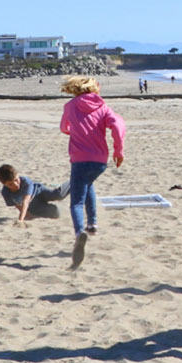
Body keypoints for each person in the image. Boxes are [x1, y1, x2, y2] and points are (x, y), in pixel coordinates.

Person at [59, 75, 126, 269]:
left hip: (80, 159)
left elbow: (64, 128)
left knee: (76, 201)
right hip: (100, 161)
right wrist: (118, 150)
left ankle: (80, 231)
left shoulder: (70, 106)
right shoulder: (103, 107)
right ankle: (93, 223)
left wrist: (75, 131)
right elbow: (118, 126)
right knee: (88, 184)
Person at [0, 164, 70, 224]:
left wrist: (20, 219)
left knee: (58, 195)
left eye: (16, 180)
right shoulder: (5, 192)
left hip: (40, 193)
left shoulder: (26, 182)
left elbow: (26, 201)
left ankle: (73, 182)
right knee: (55, 212)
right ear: (4, 184)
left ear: (18, 175)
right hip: (34, 206)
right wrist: (27, 215)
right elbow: (17, 205)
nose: (16, 184)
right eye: (10, 184)